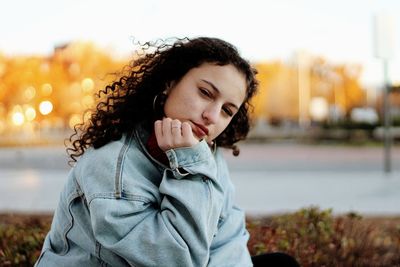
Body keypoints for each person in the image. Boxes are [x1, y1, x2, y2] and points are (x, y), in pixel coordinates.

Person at [35, 37, 299, 266]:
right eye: (206, 93)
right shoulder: (111, 162)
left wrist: (193, 160)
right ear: (169, 83)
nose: (212, 116)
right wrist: (189, 165)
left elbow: (229, 243)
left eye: (227, 110)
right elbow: (175, 260)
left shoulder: (207, 155)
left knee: (280, 265)